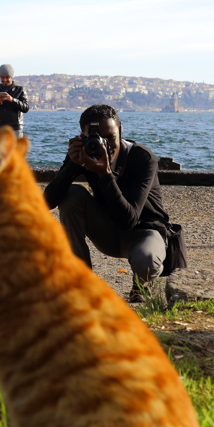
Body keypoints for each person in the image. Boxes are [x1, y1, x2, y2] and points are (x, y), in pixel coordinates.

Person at [43, 104, 172, 298]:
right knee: (71, 194)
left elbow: (129, 220)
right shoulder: (85, 153)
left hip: (143, 231)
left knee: (146, 262)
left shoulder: (142, 158)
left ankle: (142, 284)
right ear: (83, 137)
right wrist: (72, 166)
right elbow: (47, 203)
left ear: (120, 132)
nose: (104, 145)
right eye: (97, 138)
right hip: (108, 232)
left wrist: (104, 174)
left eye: (110, 137)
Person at [0, 64, 30, 138]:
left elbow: (26, 108)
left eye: (7, 77)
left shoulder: (20, 90)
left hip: (15, 128)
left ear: (11, 77)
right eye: (2, 77)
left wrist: (12, 100)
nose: (4, 80)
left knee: (15, 150)